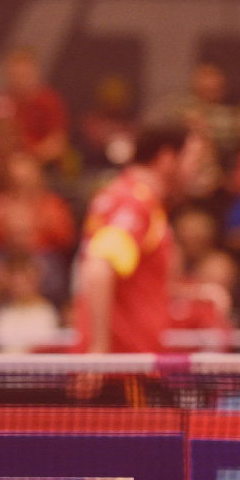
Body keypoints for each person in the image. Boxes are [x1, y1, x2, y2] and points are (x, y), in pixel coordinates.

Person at [70, 123, 200, 401]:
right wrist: (98, 350)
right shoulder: (134, 204)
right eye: (193, 159)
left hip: (130, 370)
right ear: (167, 159)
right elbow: (98, 268)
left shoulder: (133, 199)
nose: (196, 170)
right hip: (121, 373)